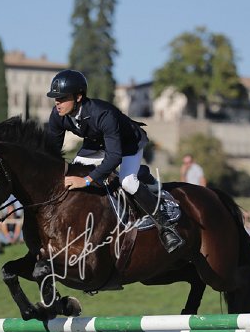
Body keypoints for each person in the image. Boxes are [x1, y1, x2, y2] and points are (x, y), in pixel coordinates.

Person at [46, 69, 184, 253]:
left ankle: (166, 227)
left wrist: (86, 180)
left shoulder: (103, 114)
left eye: (62, 98)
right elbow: (51, 152)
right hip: (96, 144)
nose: (57, 102)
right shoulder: (58, 116)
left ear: (78, 97)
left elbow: (114, 156)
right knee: (73, 174)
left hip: (128, 144)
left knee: (127, 182)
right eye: (56, 98)